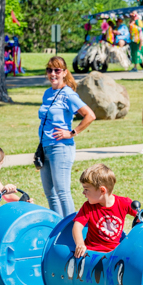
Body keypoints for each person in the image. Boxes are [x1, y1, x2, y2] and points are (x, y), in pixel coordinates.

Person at [39, 56, 96, 217]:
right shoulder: (47, 93)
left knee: (62, 191)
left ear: (64, 73)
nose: (53, 74)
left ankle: (71, 229)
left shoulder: (68, 94)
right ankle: (57, 227)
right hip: (45, 147)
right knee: (50, 193)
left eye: (57, 70)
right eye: (50, 70)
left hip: (61, 148)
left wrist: (72, 132)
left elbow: (89, 115)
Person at [72, 164, 139, 258]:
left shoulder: (124, 203)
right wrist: (80, 244)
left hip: (115, 253)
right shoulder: (88, 207)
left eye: (86, 189)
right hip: (92, 253)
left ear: (102, 190)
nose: (83, 193)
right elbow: (77, 227)